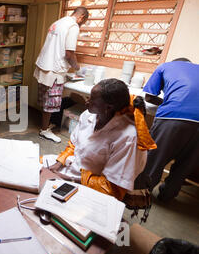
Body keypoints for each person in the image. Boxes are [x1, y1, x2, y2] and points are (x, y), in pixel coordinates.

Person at [48, 78, 157, 200]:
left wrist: (68, 179)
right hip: (71, 170)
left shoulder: (127, 137)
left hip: (94, 189)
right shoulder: (88, 116)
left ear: (108, 108)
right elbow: (74, 145)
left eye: (92, 99)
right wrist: (59, 163)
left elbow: (112, 188)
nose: (86, 101)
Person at [134, 58, 199, 202]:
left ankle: (140, 195)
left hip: (174, 117)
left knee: (154, 159)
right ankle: (167, 195)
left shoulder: (165, 66)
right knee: (186, 164)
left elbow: (149, 97)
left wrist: (170, 101)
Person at [34, 7, 89, 143]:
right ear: (81, 17)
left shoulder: (58, 22)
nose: (81, 25)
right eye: (83, 22)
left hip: (44, 66)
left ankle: (44, 125)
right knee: (51, 102)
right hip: (54, 70)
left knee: (45, 100)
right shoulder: (73, 26)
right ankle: (44, 130)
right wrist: (77, 68)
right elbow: (69, 53)